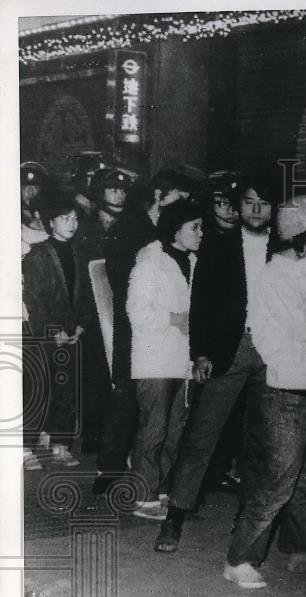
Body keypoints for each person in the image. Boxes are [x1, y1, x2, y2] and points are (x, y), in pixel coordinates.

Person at [155, 173, 276, 552]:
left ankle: (256, 527)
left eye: (264, 203)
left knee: (266, 443)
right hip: (230, 349)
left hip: (275, 353)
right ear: (239, 206)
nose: (256, 209)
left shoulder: (286, 249)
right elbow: (201, 302)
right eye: (249, 201)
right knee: (201, 436)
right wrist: (201, 352)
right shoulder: (219, 246)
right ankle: (174, 518)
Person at [224, 195, 306, 589]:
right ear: (305, 238)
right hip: (285, 394)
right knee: (276, 482)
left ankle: (299, 551)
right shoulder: (275, 276)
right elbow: (305, 325)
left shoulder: (304, 276)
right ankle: (240, 558)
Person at [93, 168, 194, 495]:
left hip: (157, 332)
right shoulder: (133, 229)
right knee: (127, 399)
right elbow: (123, 286)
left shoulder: (153, 229)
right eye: (176, 200)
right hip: (132, 327)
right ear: (159, 198)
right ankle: (108, 472)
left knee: (152, 410)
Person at [126, 198, 203, 520]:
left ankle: (161, 491)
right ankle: (143, 497)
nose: (201, 233)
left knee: (176, 431)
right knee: (153, 430)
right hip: (155, 357)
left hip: (182, 360)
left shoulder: (195, 262)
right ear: (176, 230)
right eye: (195, 227)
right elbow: (137, 311)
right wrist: (174, 319)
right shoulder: (150, 263)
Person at [22, 193, 97, 468]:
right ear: (51, 222)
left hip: (70, 334)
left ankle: (60, 444)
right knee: (37, 389)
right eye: (65, 218)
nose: (72, 223)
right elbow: (34, 299)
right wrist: (52, 331)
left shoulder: (79, 253)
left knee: (66, 388)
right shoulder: (38, 254)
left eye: (75, 218)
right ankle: (26, 448)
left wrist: (80, 326)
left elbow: (87, 297)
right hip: (43, 336)